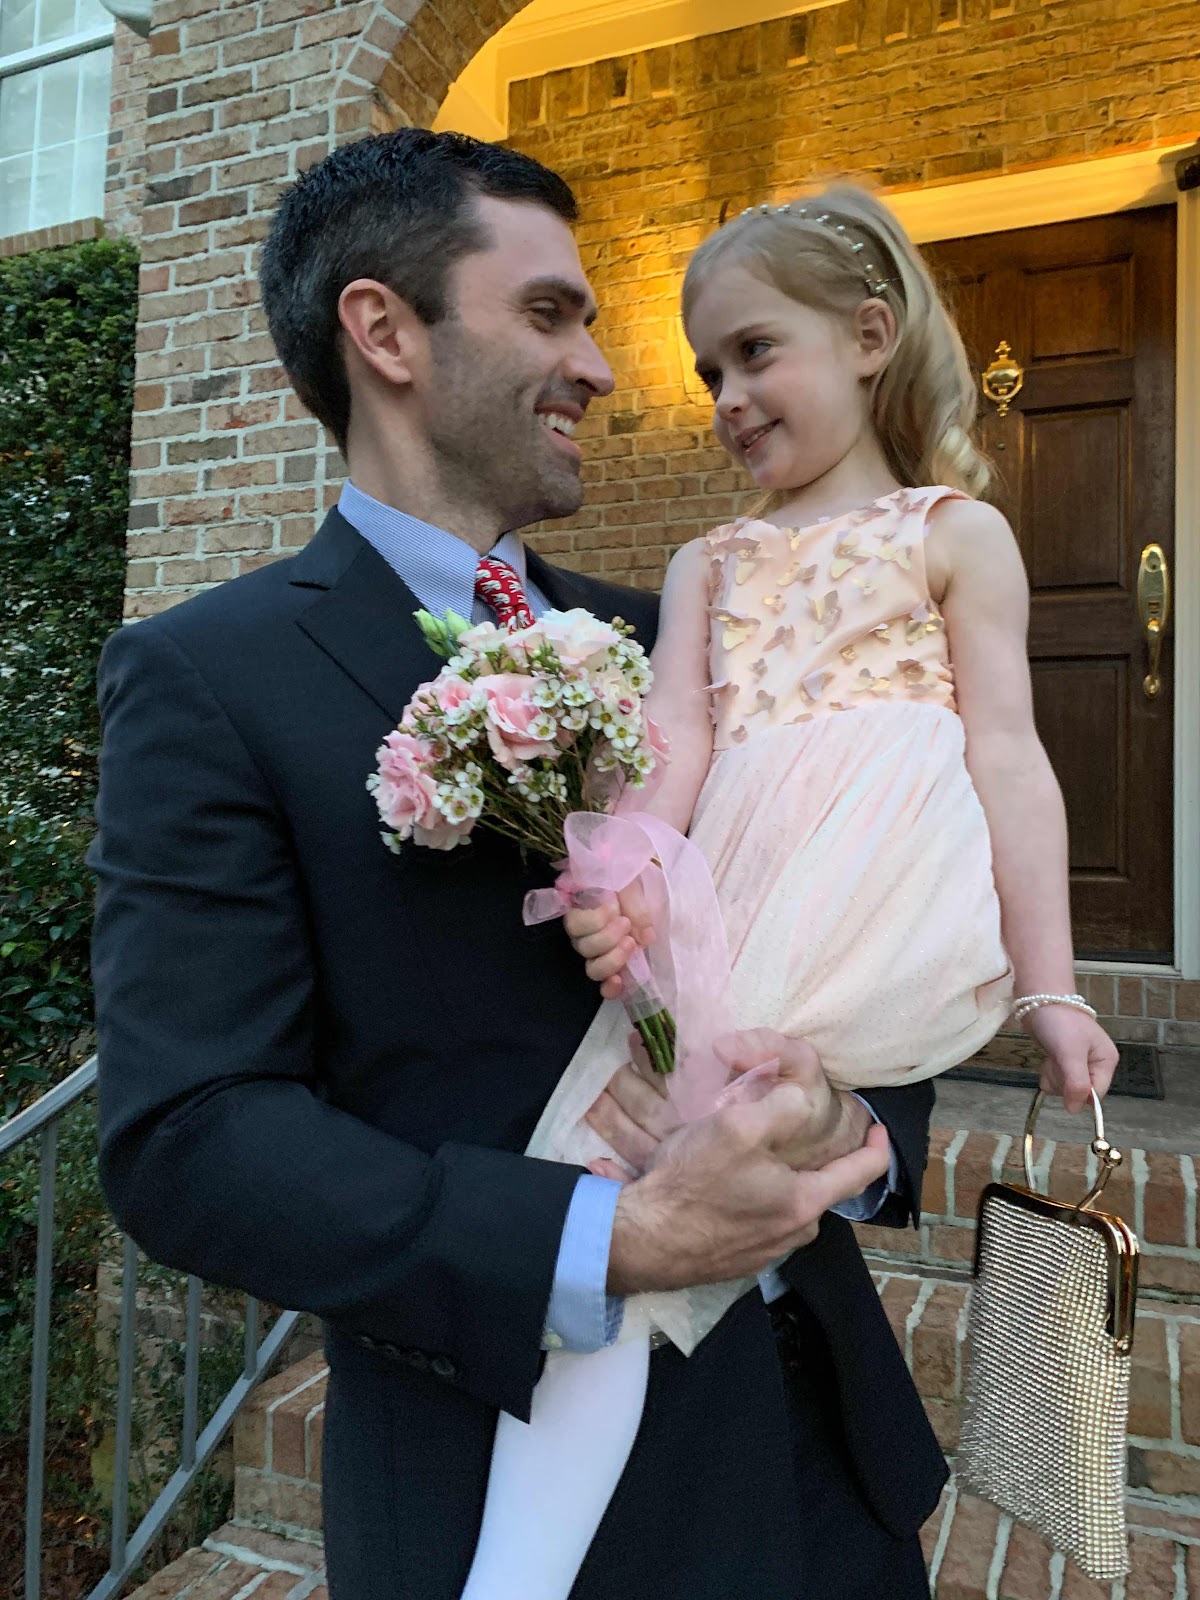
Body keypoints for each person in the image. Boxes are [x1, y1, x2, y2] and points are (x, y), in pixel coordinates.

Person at [89, 133, 942, 1600]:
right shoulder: (208, 679)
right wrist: (615, 1236)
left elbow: (863, 885)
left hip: (823, 1452)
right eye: (551, 314)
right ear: (385, 332)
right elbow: (194, 1135)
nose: (601, 369)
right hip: (512, 1486)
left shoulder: (679, 636)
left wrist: (852, 1116)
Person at [485, 182, 1120, 1600]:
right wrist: (621, 878)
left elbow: (1010, 758)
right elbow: (678, 742)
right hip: (734, 916)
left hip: (870, 918)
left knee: (685, 1186)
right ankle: (515, 1576)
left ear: (870, 335)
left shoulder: (953, 533)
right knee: (601, 1222)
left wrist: (1054, 986)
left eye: (756, 351)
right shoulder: (709, 560)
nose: (726, 396)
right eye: (709, 368)